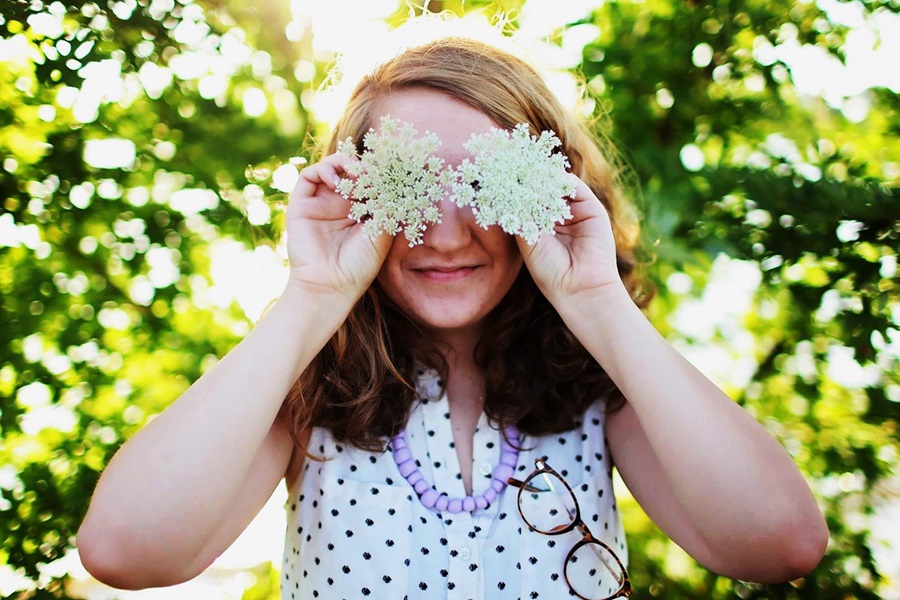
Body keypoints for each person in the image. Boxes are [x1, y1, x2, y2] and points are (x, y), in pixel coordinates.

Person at [77, 23, 828, 600]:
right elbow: (125, 552)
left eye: (485, 185)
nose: (444, 234)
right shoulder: (307, 388)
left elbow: (780, 545)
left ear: (553, 190)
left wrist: (596, 301)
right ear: (355, 193)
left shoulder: (600, 385)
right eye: (406, 184)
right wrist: (313, 295)